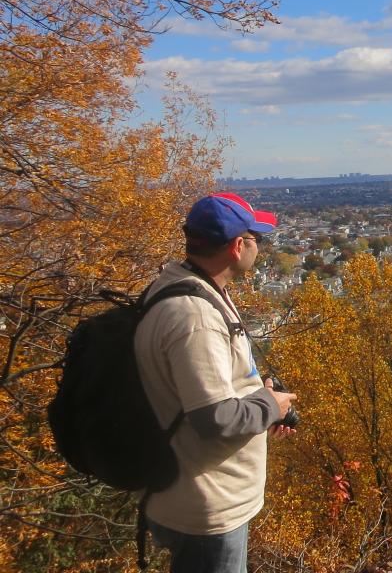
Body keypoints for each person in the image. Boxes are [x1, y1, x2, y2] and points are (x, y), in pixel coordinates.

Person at [134, 192, 297, 572]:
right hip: (207, 504)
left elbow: (202, 385)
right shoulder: (195, 316)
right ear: (238, 247)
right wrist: (273, 406)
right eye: (256, 238)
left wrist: (259, 402)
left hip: (192, 490)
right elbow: (215, 418)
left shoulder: (186, 286)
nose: (260, 247)